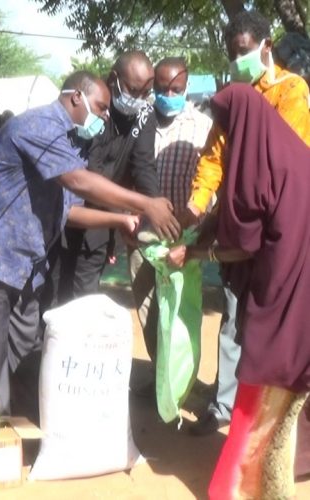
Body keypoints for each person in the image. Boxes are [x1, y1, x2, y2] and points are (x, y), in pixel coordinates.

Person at [0, 70, 180, 417]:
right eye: (101, 108)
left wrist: (119, 219)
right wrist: (144, 203)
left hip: (24, 257)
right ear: (76, 97)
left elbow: (70, 211)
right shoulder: (39, 125)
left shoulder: (67, 142)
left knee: (27, 335)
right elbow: (77, 181)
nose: (104, 117)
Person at [167, 83, 310, 500]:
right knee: (291, 389)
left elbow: (244, 243)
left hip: (283, 289)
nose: (224, 132)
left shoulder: (257, 170)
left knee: (262, 377)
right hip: (302, 285)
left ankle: (237, 488)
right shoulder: (295, 155)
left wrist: (193, 253)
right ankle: (283, 470)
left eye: (226, 123)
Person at [182, 11, 310, 436]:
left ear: (266, 46)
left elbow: (289, 162)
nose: (238, 60)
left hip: (281, 226)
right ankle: (225, 407)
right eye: (232, 53)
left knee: (281, 326)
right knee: (237, 318)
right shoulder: (231, 98)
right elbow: (213, 158)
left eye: (244, 51)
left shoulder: (291, 92)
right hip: (240, 220)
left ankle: (277, 422)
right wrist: (197, 207)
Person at [43, 50, 161, 310]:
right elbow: (90, 170)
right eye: (133, 90)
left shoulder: (144, 115)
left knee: (85, 297)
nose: (139, 99)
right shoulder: (93, 110)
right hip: (65, 213)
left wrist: (153, 208)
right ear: (113, 78)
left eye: (146, 92)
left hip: (99, 224)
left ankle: (77, 349)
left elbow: (143, 165)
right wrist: (123, 213)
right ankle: (45, 347)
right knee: (52, 293)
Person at [128, 57, 212, 389]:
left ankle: (183, 381)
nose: (168, 94)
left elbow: (211, 186)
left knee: (181, 310)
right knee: (148, 308)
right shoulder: (141, 122)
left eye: (175, 89)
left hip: (184, 235)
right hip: (144, 233)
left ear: (186, 87)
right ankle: (163, 373)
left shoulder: (202, 127)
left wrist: (196, 236)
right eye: (162, 88)